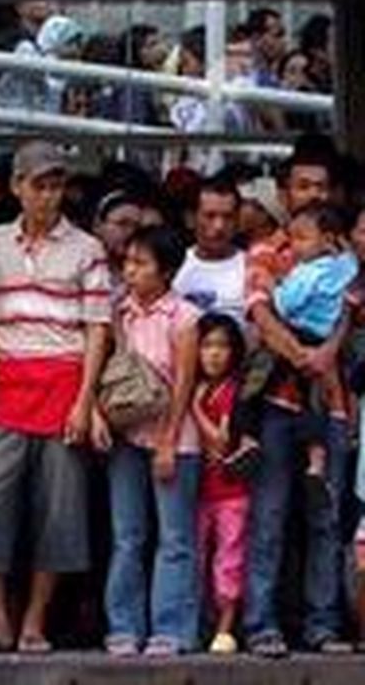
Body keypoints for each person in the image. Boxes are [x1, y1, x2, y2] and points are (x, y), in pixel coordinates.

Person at [0, 140, 110, 655]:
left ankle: (34, 622)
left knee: (59, 512)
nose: (49, 196)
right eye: (39, 185)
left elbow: (97, 328)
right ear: (17, 187)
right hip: (5, 384)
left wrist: (85, 401)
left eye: (56, 186)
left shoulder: (87, 248)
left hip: (64, 382)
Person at [242, 135, 353, 657]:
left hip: (333, 405)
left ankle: (322, 626)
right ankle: (261, 625)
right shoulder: (266, 249)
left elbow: (354, 310)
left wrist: (328, 351)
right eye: (304, 185)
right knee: (269, 516)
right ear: (285, 194)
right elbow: (260, 313)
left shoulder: (347, 254)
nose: (313, 194)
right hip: (278, 402)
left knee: (326, 518)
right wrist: (305, 356)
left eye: (322, 186)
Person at [93, 226, 200, 657]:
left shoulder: (184, 317)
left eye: (141, 263)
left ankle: (171, 630)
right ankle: (124, 626)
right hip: (127, 435)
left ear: (167, 271)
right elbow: (105, 369)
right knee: (127, 535)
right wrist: (98, 414)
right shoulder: (118, 312)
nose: (130, 271)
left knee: (174, 538)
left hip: (175, 438)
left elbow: (184, 384)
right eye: (128, 262)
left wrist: (168, 442)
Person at [237, 204, 357, 501]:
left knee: (253, 385)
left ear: (326, 239)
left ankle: (247, 440)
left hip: (296, 336)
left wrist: (273, 285)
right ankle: (316, 462)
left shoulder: (307, 272)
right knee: (313, 403)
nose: (294, 246)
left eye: (302, 238)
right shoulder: (346, 266)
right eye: (292, 238)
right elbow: (349, 270)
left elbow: (285, 305)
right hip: (322, 339)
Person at [192, 314, 250, 654]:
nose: (214, 354)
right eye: (207, 345)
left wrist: (194, 407)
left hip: (231, 491)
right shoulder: (197, 385)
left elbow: (221, 440)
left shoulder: (230, 391)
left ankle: (225, 628)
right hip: (198, 490)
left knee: (229, 558)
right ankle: (202, 624)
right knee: (197, 557)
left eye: (222, 346)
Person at [173, 177, 247, 326]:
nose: (219, 226)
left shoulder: (253, 267)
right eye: (210, 216)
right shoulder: (173, 264)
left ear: (238, 220)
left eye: (228, 217)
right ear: (190, 218)